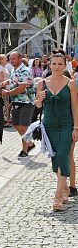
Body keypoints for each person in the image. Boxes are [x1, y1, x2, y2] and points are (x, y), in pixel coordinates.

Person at [34, 49, 78, 211]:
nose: (57, 66)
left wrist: (76, 127)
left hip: (67, 125)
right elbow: (38, 105)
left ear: (65, 65)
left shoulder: (70, 83)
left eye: (60, 64)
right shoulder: (42, 83)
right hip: (49, 125)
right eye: (54, 63)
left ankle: (57, 197)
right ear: (49, 64)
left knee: (63, 155)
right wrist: (39, 99)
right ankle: (64, 187)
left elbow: (75, 106)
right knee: (55, 160)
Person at [1, 52, 35, 158]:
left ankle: (24, 150)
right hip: (16, 101)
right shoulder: (14, 70)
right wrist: (7, 82)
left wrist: (7, 93)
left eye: (13, 59)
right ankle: (30, 143)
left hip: (26, 101)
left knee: (23, 126)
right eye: (10, 59)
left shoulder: (25, 71)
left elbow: (21, 88)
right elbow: (14, 80)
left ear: (20, 59)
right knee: (16, 124)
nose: (11, 61)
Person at [0, 54, 12, 127]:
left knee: (6, 105)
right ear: (1, 60)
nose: (6, 59)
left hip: (6, 88)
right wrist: (4, 89)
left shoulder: (3, 67)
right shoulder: (0, 68)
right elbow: (2, 81)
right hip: (2, 89)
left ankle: (6, 119)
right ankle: (4, 120)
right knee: (4, 105)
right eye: (5, 58)